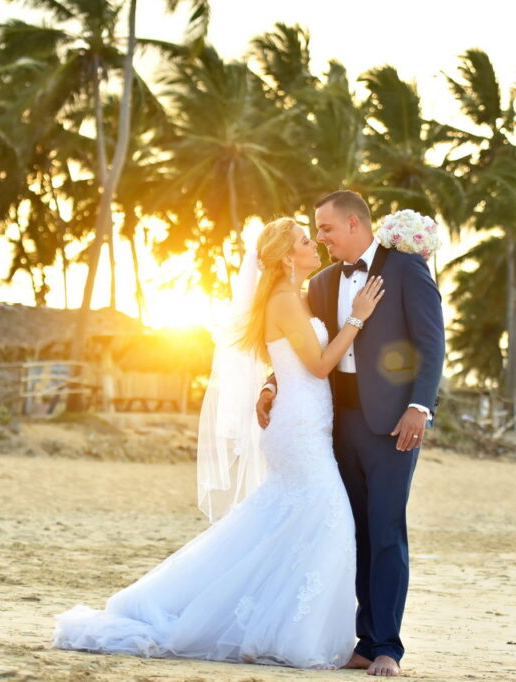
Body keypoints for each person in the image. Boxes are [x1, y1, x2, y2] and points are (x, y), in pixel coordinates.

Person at [52, 216, 385, 669]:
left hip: (306, 422)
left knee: (288, 523)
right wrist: (358, 320)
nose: (315, 245)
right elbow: (320, 364)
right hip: (300, 429)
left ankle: (283, 625)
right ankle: (290, 633)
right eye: (307, 241)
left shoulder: (298, 297)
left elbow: (290, 363)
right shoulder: (285, 301)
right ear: (288, 257)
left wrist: (270, 385)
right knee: (329, 519)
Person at [258, 190, 445, 677]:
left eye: (326, 229)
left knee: (385, 530)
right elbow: (301, 348)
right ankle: (364, 640)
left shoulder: (404, 269)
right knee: (352, 530)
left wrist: (419, 406)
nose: (320, 238)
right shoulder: (320, 283)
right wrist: (271, 382)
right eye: (315, 232)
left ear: (355, 225)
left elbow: (431, 341)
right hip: (336, 423)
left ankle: (388, 648)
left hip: (393, 424)